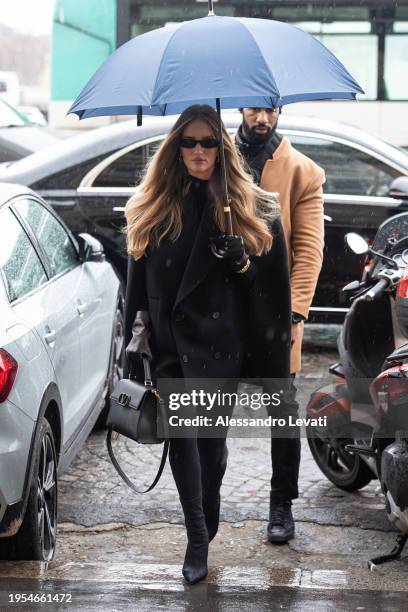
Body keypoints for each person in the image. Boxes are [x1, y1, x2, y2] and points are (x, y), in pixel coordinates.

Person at [123, 104, 291, 585]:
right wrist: (131, 352)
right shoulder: (153, 203)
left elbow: (267, 292)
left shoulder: (254, 206)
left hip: (222, 346)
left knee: (211, 452)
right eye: (189, 143)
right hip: (171, 345)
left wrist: (241, 261)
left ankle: (206, 512)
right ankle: (196, 536)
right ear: (177, 149)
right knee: (185, 444)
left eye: (208, 142)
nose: (199, 152)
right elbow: (137, 286)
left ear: (223, 146)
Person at [236, 107, 325, 543]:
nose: (262, 115)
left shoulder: (303, 172)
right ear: (239, 108)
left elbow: (308, 252)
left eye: (270, 106)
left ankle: (281, 505)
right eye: (254, 106)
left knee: (282, 411)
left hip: (277, 314)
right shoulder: (216, 157)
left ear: (280, 109)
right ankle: (204, 505)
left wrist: (294, 314)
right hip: (224, 314)